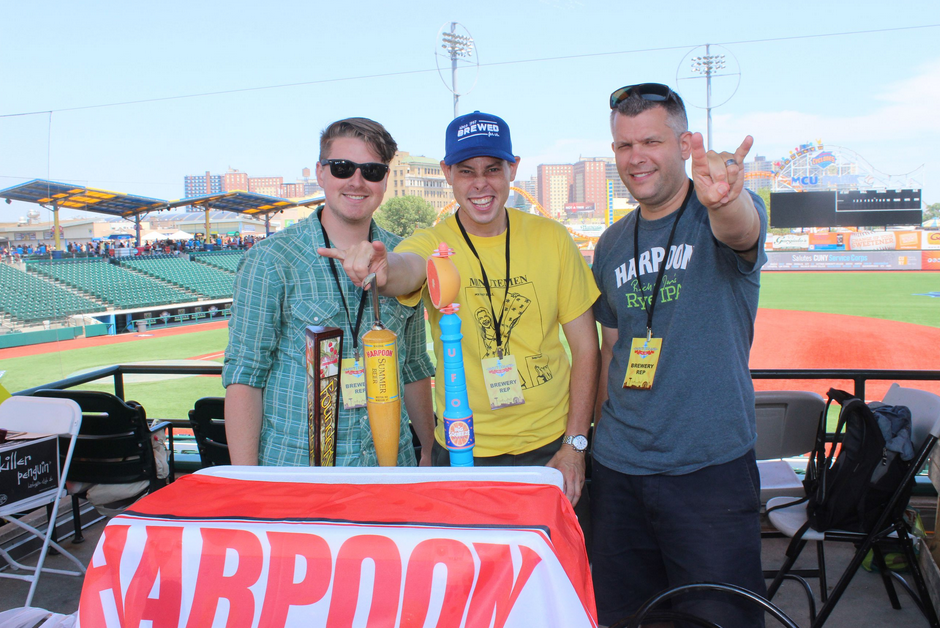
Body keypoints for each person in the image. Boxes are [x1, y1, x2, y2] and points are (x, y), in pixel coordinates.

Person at [320, 111, 599, 506]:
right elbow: (407, 268)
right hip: (463, 448)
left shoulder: (551, 238)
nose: (481, 183)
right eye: (467, 171)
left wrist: (575, 445)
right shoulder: (432, 240)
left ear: (513, 169)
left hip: (550, 448)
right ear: (447, 172)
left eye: (492, 168)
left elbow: (587, 349)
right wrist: (384, 269)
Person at [590, 82, 768, 627]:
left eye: (651, 140)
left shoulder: (719, 209)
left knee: (719, 619)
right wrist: (596, 442)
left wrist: (727, 200)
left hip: (707, 471)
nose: (636, 157)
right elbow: (614, 346)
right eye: (624, 146)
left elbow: (742, 231)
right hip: (618, 471)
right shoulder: (612, 242)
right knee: (625, 617)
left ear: (683, 143)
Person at [222, 117, 435, 467]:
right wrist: (248, 481)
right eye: (342, 167)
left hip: (387, 469)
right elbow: (245, 375)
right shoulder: (271, 260)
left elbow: (413, 367)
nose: (356, 180)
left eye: (371, 170)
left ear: (384, 181)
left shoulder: (401, 259)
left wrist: (428, 449)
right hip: (296, 472)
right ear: (321, 174)